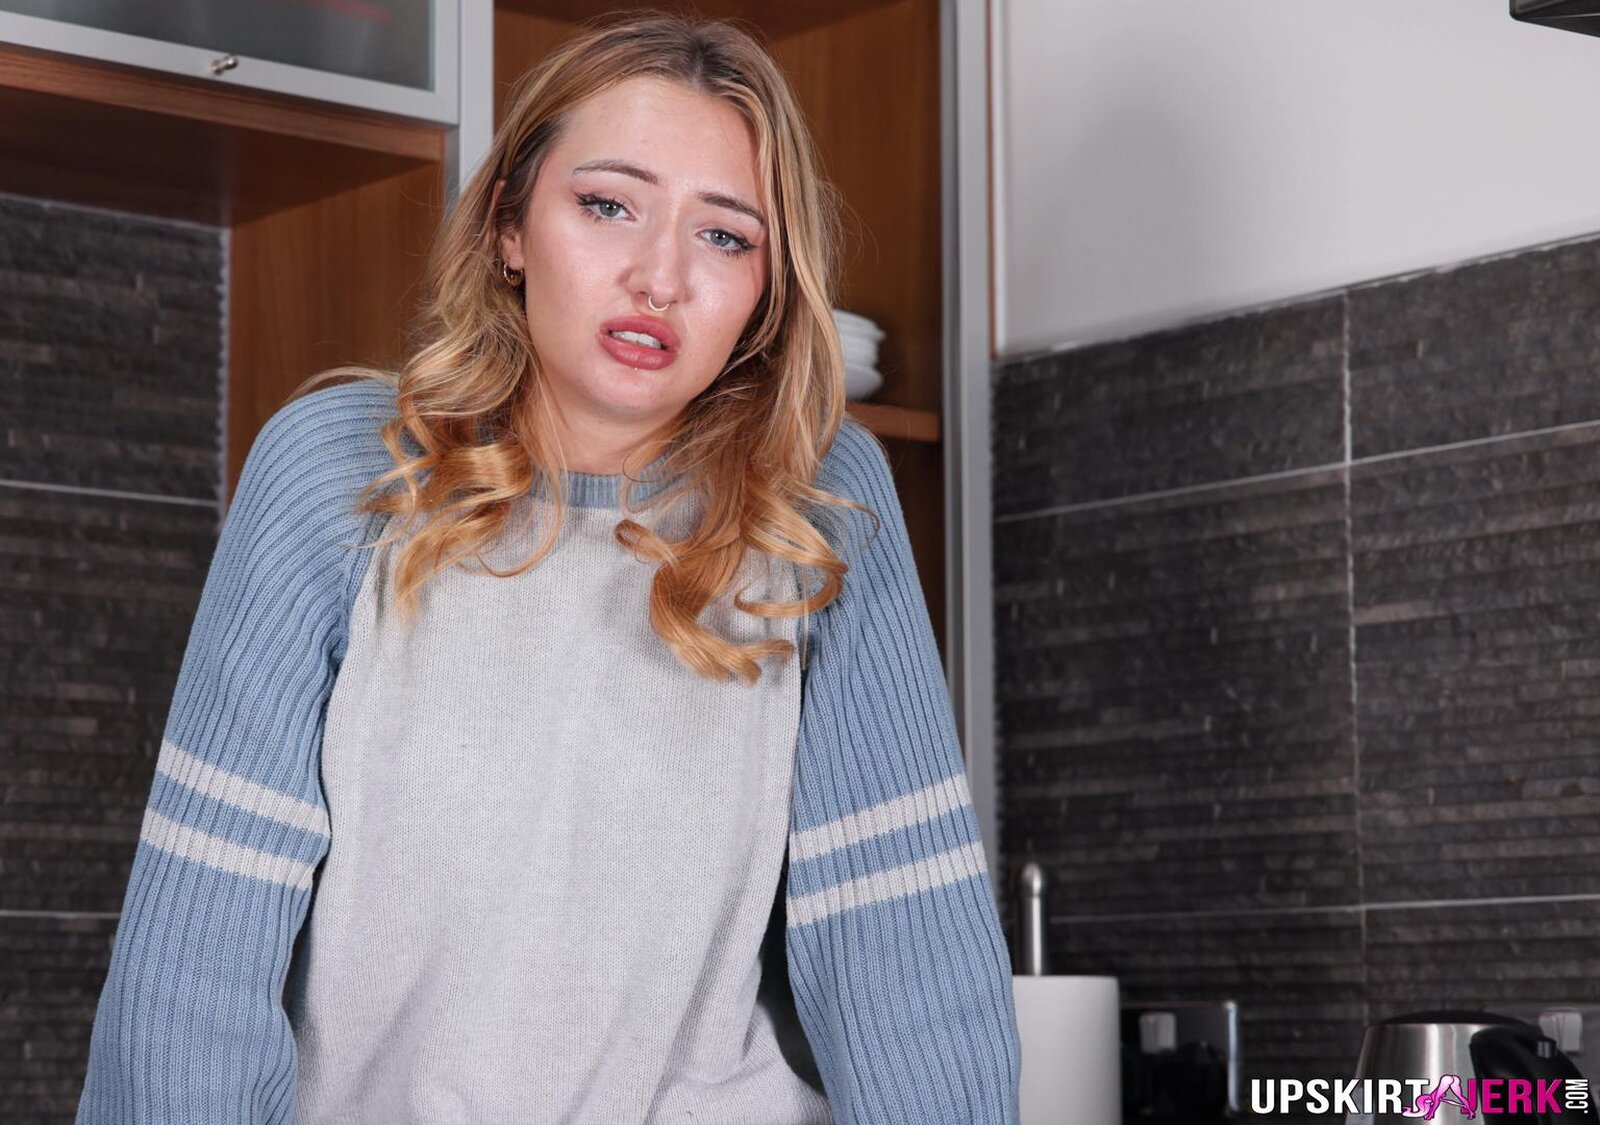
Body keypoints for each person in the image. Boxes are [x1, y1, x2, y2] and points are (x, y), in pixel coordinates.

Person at [75, 9, 1020, 1125]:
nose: (660, 276)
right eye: (608, 205)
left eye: (726, 236)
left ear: (768, 292)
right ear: (509, 228)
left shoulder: (817, 499)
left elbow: (905, 951)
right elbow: (197, 963)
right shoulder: (338, 473)